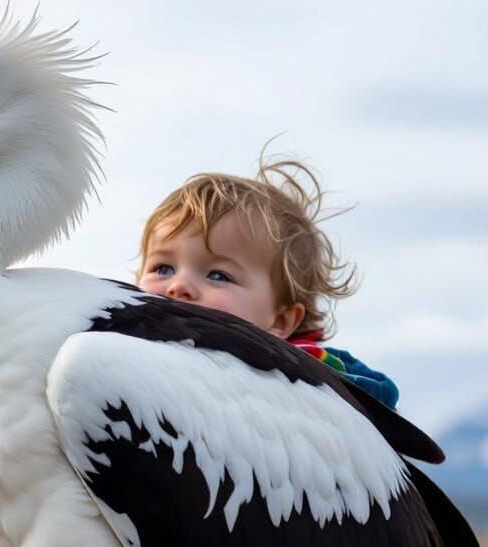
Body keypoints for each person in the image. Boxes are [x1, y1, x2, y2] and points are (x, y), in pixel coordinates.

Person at [135, 155, 399, 409]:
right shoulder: (125, 352)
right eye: (163, 268)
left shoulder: (302, 379)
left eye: (218, 275)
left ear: (280, 321)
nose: (179, 286)